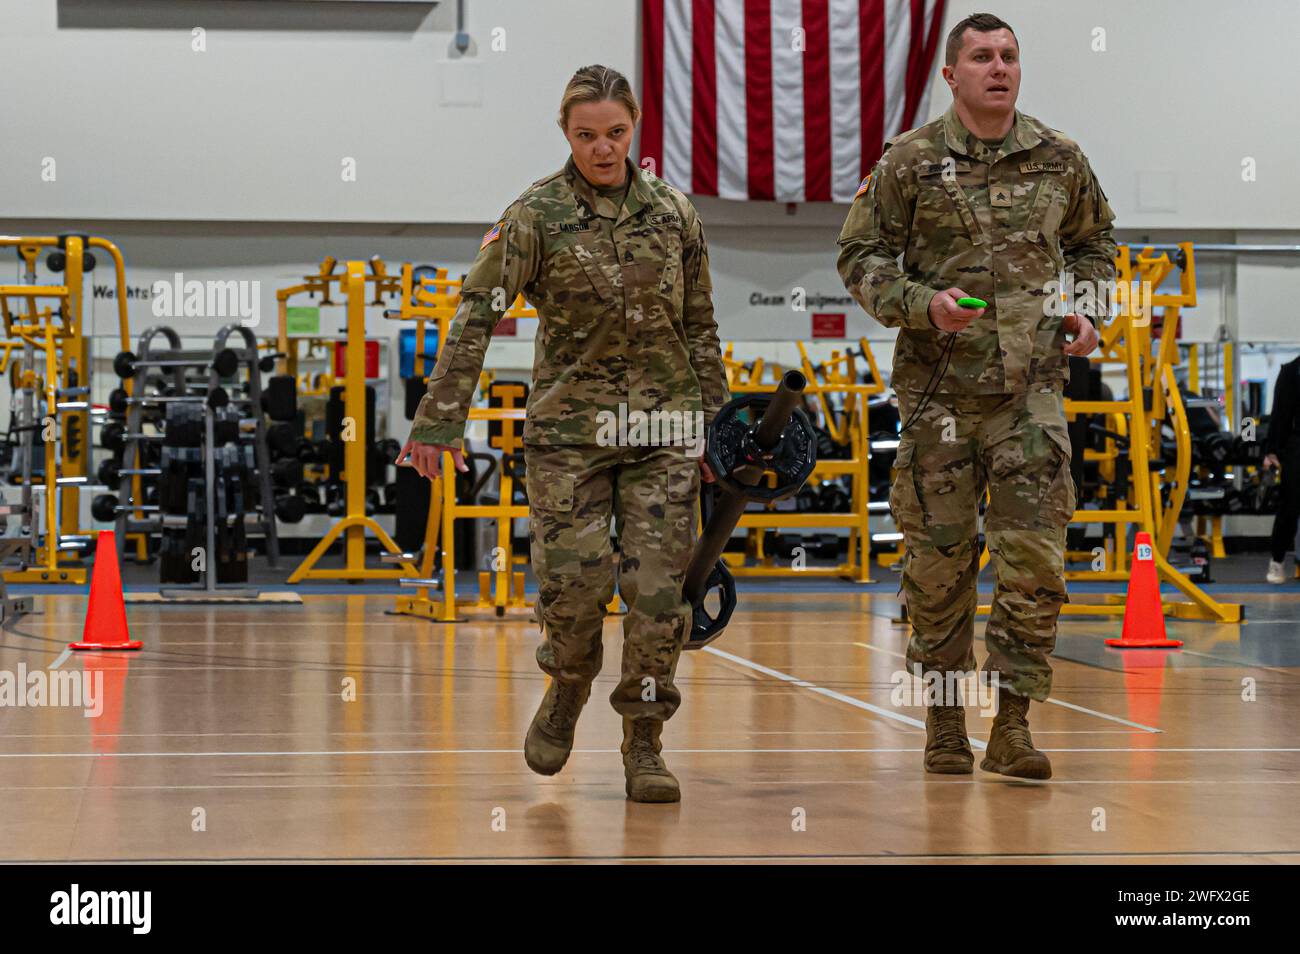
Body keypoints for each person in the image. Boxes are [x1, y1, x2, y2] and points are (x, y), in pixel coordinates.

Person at [397, 65, 727, 803]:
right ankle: (568, 687)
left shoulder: (675, 213)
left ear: (634, 127)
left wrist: (720, 427)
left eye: (614, 133)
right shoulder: (534, 216)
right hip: (569, 436)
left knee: (657, 594)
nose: (603, 150)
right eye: (587, 136)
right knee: (575, 594)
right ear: (565, 134)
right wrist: (440, 418)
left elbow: (701, 324)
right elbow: (477, 310)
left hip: (665, 431)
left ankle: (644, 740)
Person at [837, 13, 1115, 779]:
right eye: (983, 57)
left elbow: (1098, 243)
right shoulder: (909, 162)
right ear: (951, 75)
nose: (999, 68)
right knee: (939, 570)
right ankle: (947, 721)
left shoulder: (1061, 159)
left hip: (1031, 398)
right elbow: (858, 254)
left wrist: (1090, 305)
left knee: (1034, 567)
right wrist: (917, 302)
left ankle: (1014, 727)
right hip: (940, 401)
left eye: (1010, 56)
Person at [1263, 356, 1300, 583]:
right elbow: (1280, 413)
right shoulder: (1292, 371)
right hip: (1297, 444)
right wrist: (1272, 449)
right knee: (1291, 504)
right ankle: (1277, 562)